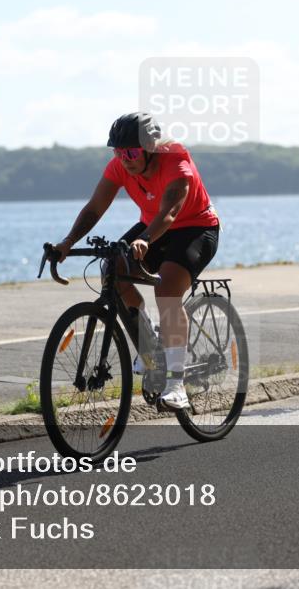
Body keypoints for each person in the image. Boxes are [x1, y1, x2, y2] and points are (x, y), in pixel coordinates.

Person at [52, 112, 220, 409]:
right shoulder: (120, 166)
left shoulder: (176, 161)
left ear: (150, 147)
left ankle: (176, 384)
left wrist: (145, 239)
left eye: (130, 152)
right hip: (152, 226)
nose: (124, 159)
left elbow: (170, 212)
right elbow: (94, 208)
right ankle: (150, 346)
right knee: (113, 269)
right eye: (118, 152)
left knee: (167, 290)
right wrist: (67, 242)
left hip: (195, 228)